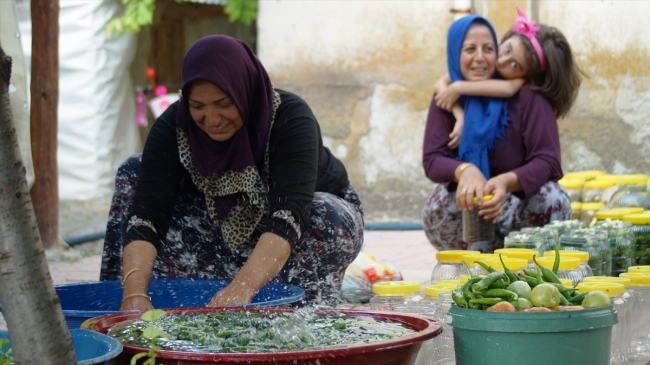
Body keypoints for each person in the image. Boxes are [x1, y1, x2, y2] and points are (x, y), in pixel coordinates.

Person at [100, 35, 364, 311]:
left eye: (224, 104)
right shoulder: (174, 127)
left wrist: (242, 287)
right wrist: (133, 293)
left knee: (323, 215)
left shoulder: (290, 118)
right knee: (133, 170)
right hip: (220, 225)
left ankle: (295, 310)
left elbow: (289, 215)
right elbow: (147, 216)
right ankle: (138, 304)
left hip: (297, 225)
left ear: (244, 91)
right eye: (198, 106)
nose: (212, 120)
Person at [422, 14, 575, 252]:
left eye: (488, 49)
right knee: (437, 206)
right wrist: (465, 171)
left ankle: (522, 256)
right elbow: (432, 159)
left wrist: (504, 183)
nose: (480, 58)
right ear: (455, 53)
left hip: (517, 214)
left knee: (553, 198)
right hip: (469, 210)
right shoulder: (449, 95)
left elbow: (548, 161)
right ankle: (475, 254)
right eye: (470, 49)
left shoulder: (527, 95)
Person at [433, 6, 583, 149]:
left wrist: (459, 87)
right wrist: (460, 115)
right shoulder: (482, 64)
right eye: (507, 49)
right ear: (506, 38)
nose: (501, 60)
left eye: (514, 65)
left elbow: (508, 89)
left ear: (527, 75)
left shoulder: (517, 83)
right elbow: (441, 84)